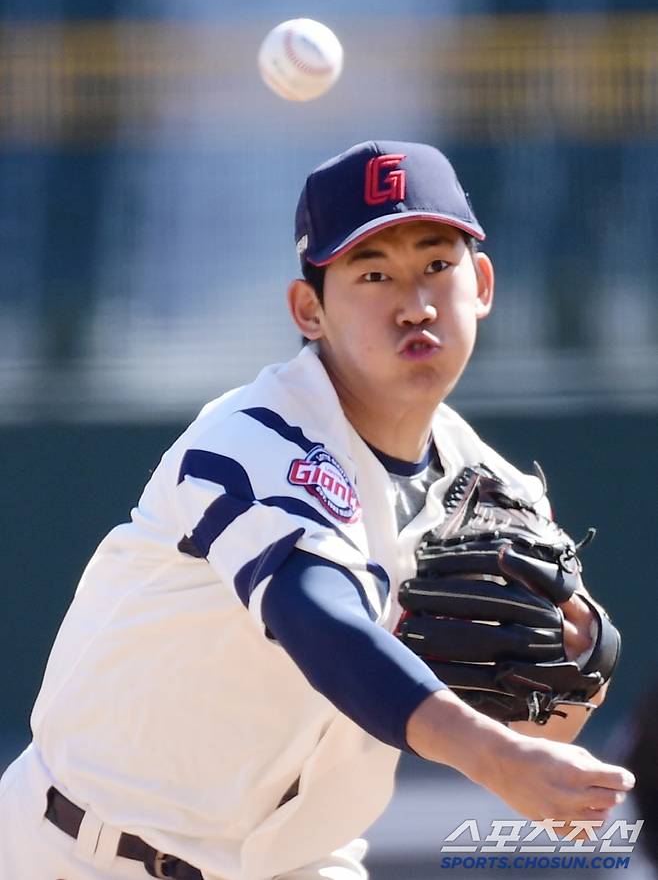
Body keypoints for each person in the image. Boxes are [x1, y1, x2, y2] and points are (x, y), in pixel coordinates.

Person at [0, 140, 634, 880]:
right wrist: (491, 755)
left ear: (482, 284)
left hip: (299, 863)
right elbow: (317, 617)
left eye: (436, 264)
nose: (415, 303)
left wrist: (586, 654)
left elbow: (549, 728)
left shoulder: (497, 491)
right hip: (84, 852)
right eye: (373, 274)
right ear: (310, 309)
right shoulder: (250, 438)